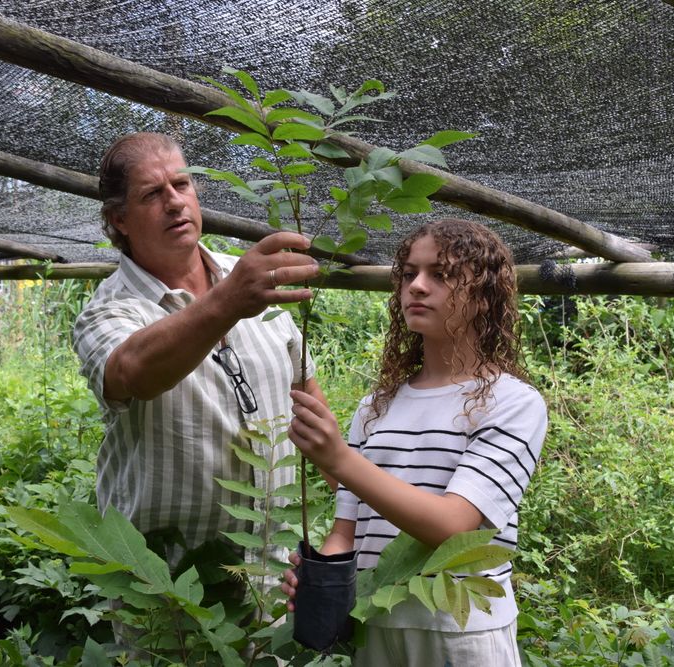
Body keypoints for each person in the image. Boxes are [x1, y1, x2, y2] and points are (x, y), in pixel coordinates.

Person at [282, 218, 547, 666]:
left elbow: (454, 525)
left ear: (484, 294)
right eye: (408, 274)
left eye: (440, 274)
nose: (417, 287)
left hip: (460, 630)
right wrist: (322, 580)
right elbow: (347, 531)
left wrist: (339, 460)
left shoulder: (513, 402)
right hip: (376, 623)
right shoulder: (376, 407)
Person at [73, 132, 328, 575]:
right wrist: (228, 301)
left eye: (182, 185)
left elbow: (308, 399)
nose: (174, 202)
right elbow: (134, 372)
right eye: (152, 194)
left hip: (275, 566)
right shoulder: (109, 311)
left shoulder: (250, 278)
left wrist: (356, 517)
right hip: (166, 589)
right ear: (120, 219)